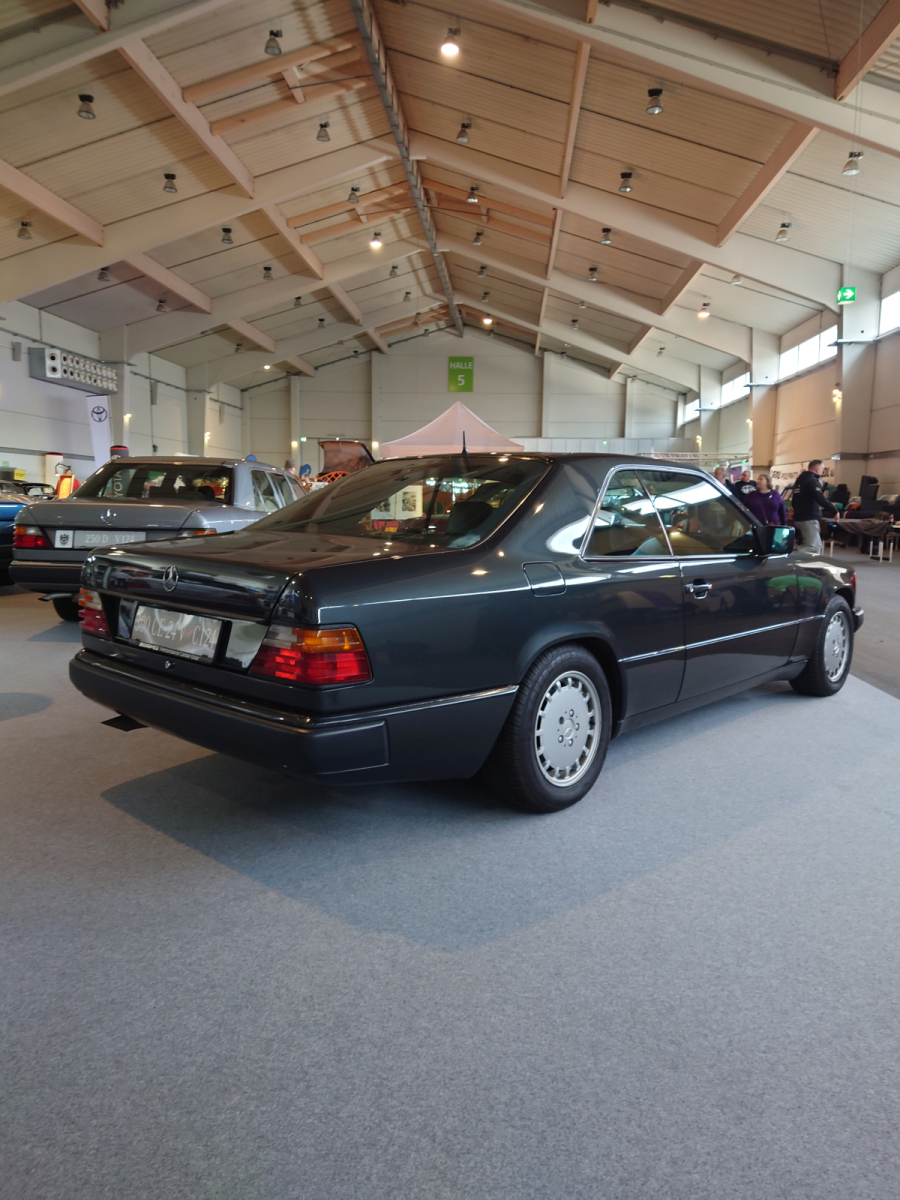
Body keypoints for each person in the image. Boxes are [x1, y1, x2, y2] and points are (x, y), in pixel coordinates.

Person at [791, 459, 837, 555]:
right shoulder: (811, 480)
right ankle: (793, 558)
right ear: (817, 469)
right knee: (813, 547)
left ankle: (801, 562)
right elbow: (819, 497)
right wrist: (834, 510)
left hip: (799, 517)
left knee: (809, 544)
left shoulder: (800, 480)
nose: (822, 471)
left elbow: (794, 500)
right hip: (809, 517)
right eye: (822, 469)